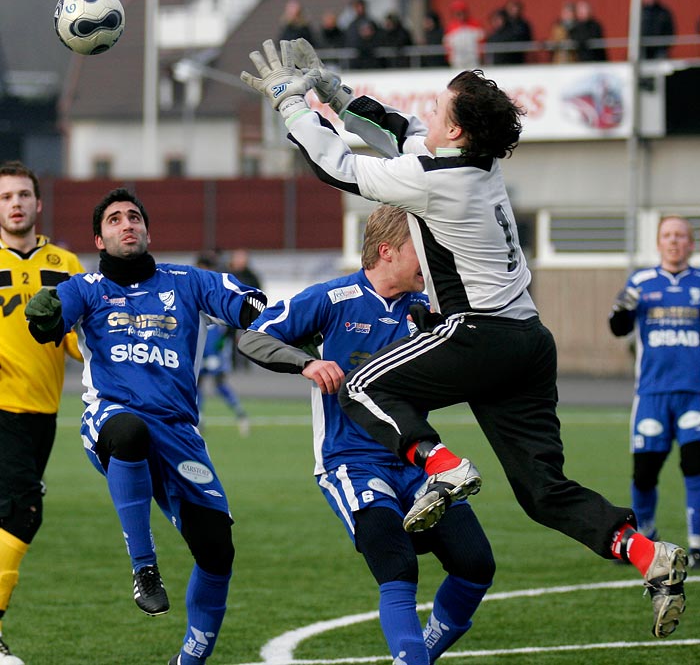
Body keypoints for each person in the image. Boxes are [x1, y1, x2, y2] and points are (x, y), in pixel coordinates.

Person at [240, 38, 688, 639]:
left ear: (456, 131)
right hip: (530, 341)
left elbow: (338, 168)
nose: (428, 110)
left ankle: (443, 466)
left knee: (361, 385)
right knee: (542, 491)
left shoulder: (437, 180)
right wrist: (335, 94)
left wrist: (290, 104)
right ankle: (647, 555)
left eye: (440, 106)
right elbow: (400, 134)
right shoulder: (473, 164)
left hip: (482, 334)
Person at [238, 204, 495, 665]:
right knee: (398, 566)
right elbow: (252, 338)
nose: (430, 258)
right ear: (387, 252)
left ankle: (417, 655)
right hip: (351, 462)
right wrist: (306, 362)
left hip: (417, 464)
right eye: (421, 247)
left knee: (476, 566)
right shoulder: (332, 299)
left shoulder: (426, 310)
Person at [24, 188, 266, 665]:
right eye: (114, 220)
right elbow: (49, 318)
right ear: (99, 238)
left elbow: (248, 304)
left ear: (148, 231)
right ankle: (145, 568)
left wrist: (273, 318)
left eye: (134, 217)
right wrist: (45, 314)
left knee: (218, 552)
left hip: (179, 433)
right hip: (112, 420)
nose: (126, 223)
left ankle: (189, 660)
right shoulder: (86, 287)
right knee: (129, 432)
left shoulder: (187, 281)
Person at [0, 161, 83, 665]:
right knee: (22, 513)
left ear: (38, 203)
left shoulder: (65, 264)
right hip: (1, 408)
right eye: (7, 195)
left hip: (41, 413)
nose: (15, 203)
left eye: (23, 194)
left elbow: (81, 340)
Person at [609, 215, 700, 569]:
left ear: (690, 243)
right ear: (659, 243)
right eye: (667, 235)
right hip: (652, 394)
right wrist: (622, 308)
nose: (674, 241)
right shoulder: (641, 282)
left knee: (695, 467)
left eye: (680, 235)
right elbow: (618, 328)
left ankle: (697, 544)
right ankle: (644, 536)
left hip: (695, 393)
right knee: (644, 473)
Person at [195, 253, 250, 437]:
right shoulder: (192, 286)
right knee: (197, 383)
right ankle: (199, 418)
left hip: (215, 348)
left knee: (219, 383)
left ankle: (240, 413)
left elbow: (228, 321)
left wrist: (222, 345)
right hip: (199, 347)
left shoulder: (217, 287)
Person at [228, 249, 262, 372]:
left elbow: (259, 294)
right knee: (228, 339)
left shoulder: (251, 276)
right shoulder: (227, 275)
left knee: (247, 337)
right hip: (229, 312)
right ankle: (231, 364)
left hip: (246, 313)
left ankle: (247, 363)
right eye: (238, 258)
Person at [443, 0, 484, 69]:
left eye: (462, 12)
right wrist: (450, 59)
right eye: (457, 13)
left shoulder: (475, 25)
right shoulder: (450, 28)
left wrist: (481, 57)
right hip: (457, 61)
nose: (460, 15)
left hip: (473, 60)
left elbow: (482, 42)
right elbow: (447, 46)